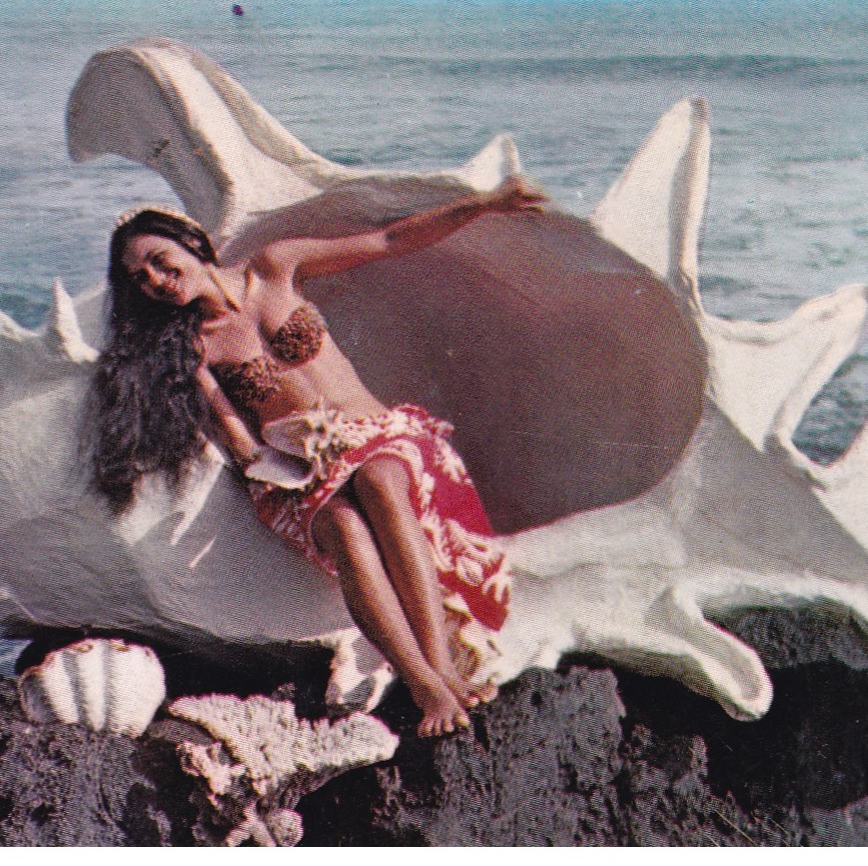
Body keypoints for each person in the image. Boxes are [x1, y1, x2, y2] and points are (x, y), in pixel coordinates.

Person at [94, 178, 548, 736]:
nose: (158, 282)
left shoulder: (274, 266)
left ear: (192, 243)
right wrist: (268, 457)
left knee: (380, 481)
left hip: (380, 433)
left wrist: (485, 203)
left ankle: (442, 666)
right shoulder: (194, 345)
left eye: (162, 262)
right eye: (142, 281)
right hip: (299, 472)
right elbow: (235, 433)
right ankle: (424, 684)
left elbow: (389, 239)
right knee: (345, 528)